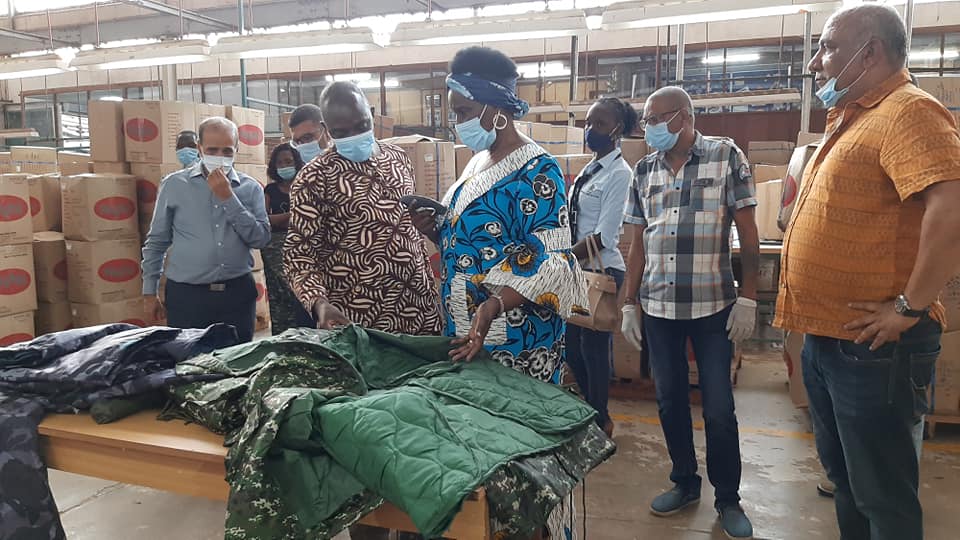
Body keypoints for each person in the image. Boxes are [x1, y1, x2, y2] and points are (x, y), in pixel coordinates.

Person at [775, 4, 960, 540]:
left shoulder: (909, 110)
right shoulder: (857, 116)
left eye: (827, 48)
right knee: (848, 483)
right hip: (832, 341)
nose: (815, 63)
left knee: (883, 495)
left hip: (875, 350)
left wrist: (909, 307)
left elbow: (950, 208)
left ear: (870, 52)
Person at [284, 82, 442, 540]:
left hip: (419, 319)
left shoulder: (397, 159)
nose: (355, 135)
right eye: (342, 130)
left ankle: (417, 525)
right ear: (327, 131)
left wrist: (426, 228)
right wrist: (318, 301)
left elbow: (406, 227)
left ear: (372, 115)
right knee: (368, 444)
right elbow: (298, 257)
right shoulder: (314, 179)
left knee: (420, 436)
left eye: (362, 126)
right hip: (362, 328)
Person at [619, 86, 760, 539]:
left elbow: (748, 230)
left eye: (655, 118)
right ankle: (684, 481)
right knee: (669, 401)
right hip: (659, 307)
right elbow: (637, 244)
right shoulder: (643, 170)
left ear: (683, 116)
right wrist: (628, 302)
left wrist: (750, 296)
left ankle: (728, 497)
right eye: (645, 121)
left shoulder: (724, 156)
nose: (649, 128)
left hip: (712, 306)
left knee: (718, 407)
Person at [142, 117, 271, 343]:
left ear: (237, 150)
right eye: (212, 149)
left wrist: (229, 199)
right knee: (189, 366)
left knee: (237, 363)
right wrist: (149, 291)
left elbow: (261, 239)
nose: (219, 157)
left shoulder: (250, 189)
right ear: (199, 148)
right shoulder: (174, 185)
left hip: (237, 295)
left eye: (227, 151)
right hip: (187, 296)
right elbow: (157, 241)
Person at [565, 97, 637, 438]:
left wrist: (564, 257)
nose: (589, 130)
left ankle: (600, 420)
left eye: (599, 124)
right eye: (588, 123)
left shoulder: (620, 174)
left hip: (601, 271)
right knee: (571, 347)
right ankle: (591, 411)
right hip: (577, 269)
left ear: (617, 130)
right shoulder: (589, 169)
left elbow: (605, 236)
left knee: (593, 352)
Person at [262, 142, 313, 334]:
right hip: (274, 248)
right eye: (280, 162)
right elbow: (264, 220)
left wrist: (281, 219)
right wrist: (294, 215)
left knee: (300, 292)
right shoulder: (270, 190)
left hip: (302, 245)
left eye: (289, 161)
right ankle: (283, 337)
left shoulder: (305, 185)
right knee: (279, 295)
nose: (285, 165)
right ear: (274, 166)